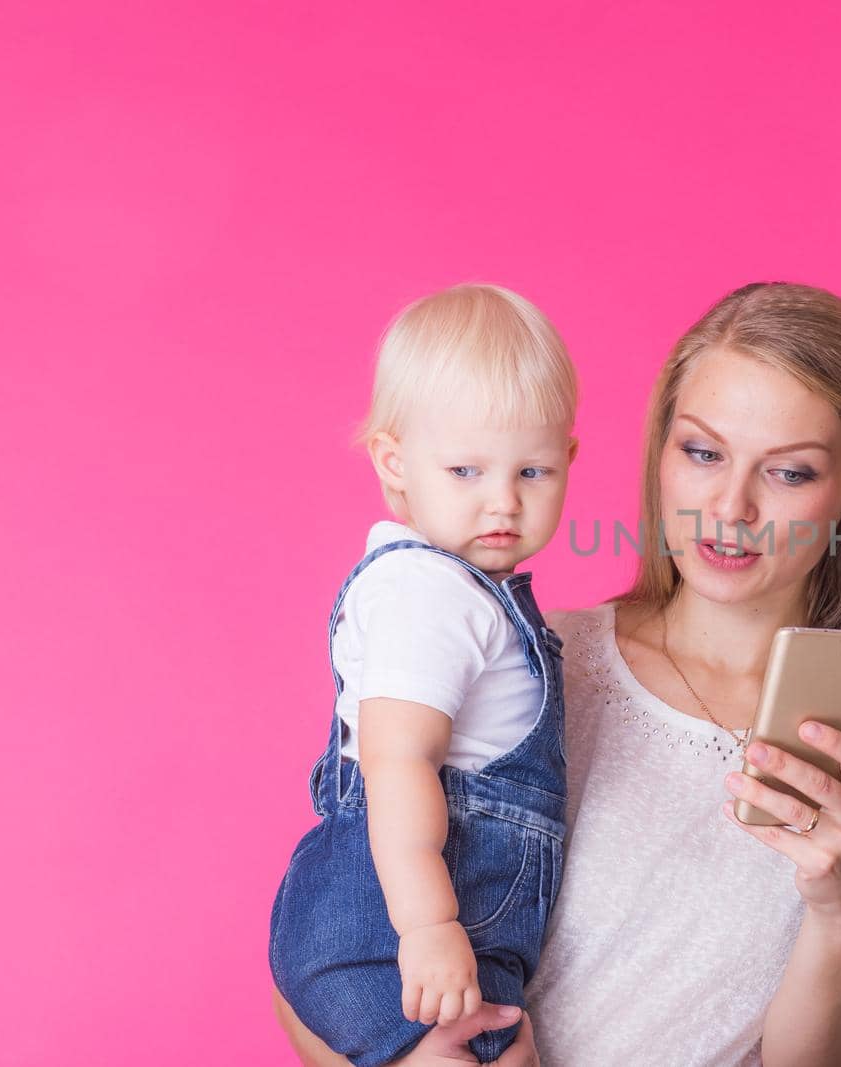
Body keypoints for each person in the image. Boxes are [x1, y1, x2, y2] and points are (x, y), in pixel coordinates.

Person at [274, 281, 841, 1066]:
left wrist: (835, 899)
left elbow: (814, 1061)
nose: (730, 506)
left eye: (789, 472)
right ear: (661, 453)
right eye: (703, 452)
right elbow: (326, 937)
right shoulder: (534, 667)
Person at [269, 284, 581, 1066]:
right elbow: (396, 761)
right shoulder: (429, 592)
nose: (502, 500)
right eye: (466, 470)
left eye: (534, 471)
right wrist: (429, 926)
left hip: (441, 931)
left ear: (570, 460)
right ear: (395, 461)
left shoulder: (470, 589)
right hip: (392, 926)